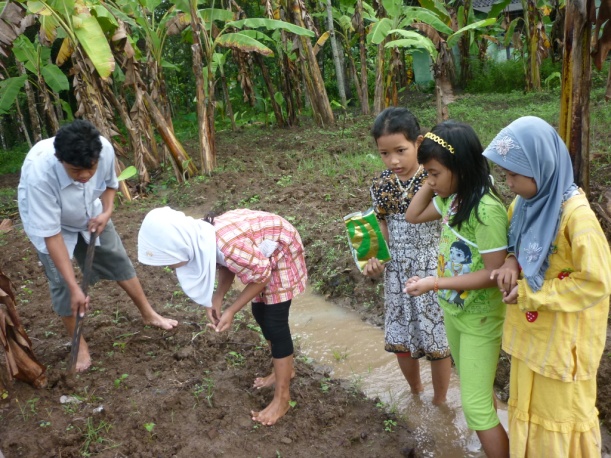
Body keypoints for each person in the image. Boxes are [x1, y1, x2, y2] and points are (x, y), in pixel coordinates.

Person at [484, 116, 611, 457]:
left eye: (513, 175)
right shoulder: (524, 205)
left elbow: (596, 282)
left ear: (542, 168)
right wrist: (511, 260)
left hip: (563, 341)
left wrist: (530, 293)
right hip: (534, 338)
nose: (507, 182)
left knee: (560, 416)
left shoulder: (577, 218)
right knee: (528, 408)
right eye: (505, 174)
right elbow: (515, 242)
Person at [17, 120, 178, 373]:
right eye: (74, 170)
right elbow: (52, 235)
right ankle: (79, 345)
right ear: (60, 159)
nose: (83, 176)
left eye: (89, 169)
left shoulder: (102, 149)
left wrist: (106, 211)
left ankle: (149, 313)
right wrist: (74, 286)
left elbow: (111, 184)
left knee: (116, 258)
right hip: (51, 223)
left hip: (91, 211)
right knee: (62, 285)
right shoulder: (40, 175)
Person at [138, 207, 307, 426]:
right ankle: (284, 370)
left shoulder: (227, 245)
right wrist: (218, 297)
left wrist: (232, 310)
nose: (170, 267)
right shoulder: (200, 238)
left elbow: (262, 276)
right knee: (259, 311)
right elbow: (226, 264)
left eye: (169, 261)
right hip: (260, 255)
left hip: (281, 250)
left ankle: (282, 398)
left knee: (275, 322)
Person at [404, 121, 509, 458]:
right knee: (477, 392)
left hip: (480, 318)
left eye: (434, 173)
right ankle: (489, 440)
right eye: (427, 174)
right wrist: (430, 174)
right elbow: (411, 214)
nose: (429, 182)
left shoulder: (485, 210)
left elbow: (494, 273)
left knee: (475, 406)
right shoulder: (454, 199)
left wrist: (435, 283)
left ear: (461, 167)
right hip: (456, 312)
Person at [363, 107, 451, 405]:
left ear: (418, 142)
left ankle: (440, 402)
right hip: (397, 270)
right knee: (401, 339)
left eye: (400, 150)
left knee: (438, 341)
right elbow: (381, 230)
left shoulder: (436, 178)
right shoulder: (380, 185)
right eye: (384, 153)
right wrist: (376, 261)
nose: (393, 161)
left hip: (433, 266)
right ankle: (416, 393)